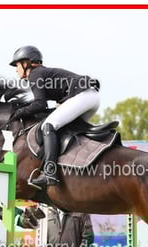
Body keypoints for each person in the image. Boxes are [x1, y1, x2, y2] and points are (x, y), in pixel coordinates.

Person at [9, 45, 101, 189]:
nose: (16, 69)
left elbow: (40, 104)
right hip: (91, 97)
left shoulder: (35, 74)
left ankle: (50, 172)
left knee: (48, 126)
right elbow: (47, 107)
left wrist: (18, 113)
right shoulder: (42, 74)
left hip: (84, 96)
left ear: (26, 63)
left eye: (17, 65)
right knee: (62, 129)